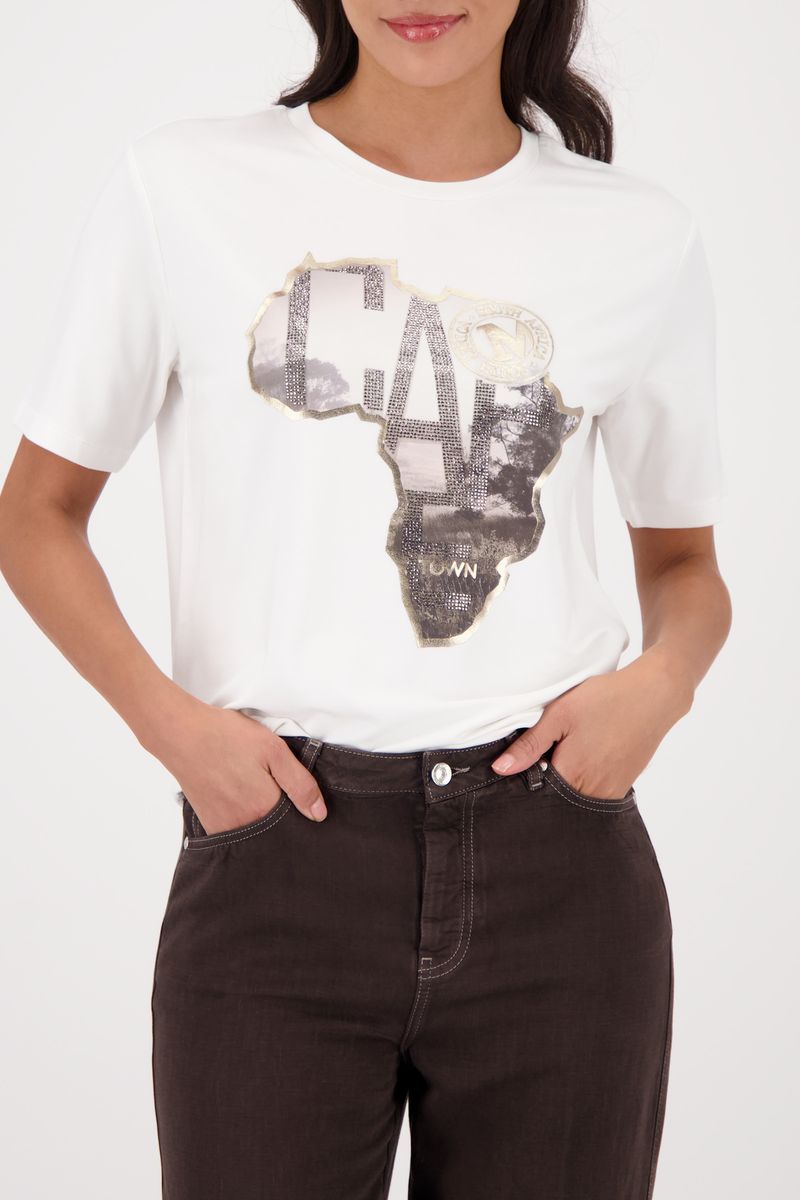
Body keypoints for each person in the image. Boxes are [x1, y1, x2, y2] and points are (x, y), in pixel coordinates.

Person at [0, 2, 732, 1197]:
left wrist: (655, 691)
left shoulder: (635, 235)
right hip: (276, 858)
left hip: (558, 865)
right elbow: (35, 513)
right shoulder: (184, 187)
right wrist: (178, 734)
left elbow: (684, 566)